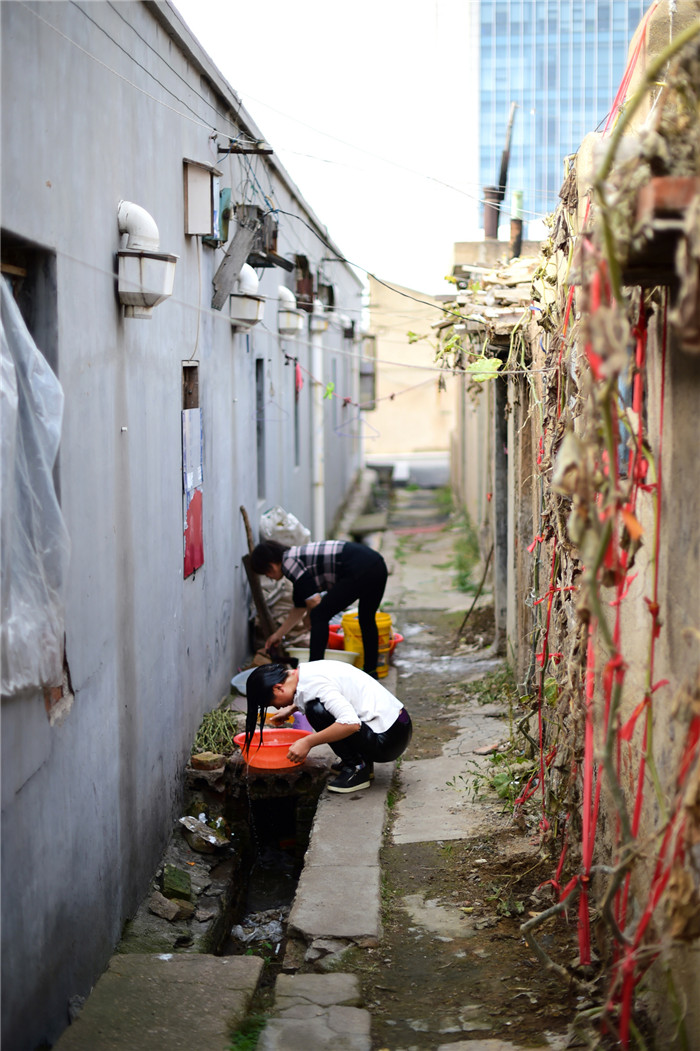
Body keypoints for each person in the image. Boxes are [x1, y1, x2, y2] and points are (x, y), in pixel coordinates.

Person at [244, 661, 412, 794]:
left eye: (272, 703)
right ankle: (361, 762)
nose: (277, 708)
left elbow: (351, 724)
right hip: (397, 726)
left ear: (278, 688)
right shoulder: (305, 672)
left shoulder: (316, 684)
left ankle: (357, 767)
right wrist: (291, 708)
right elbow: (321, 693)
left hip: (389, 739)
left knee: (316, 711)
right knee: (316, 708)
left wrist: (308, 742)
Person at [250, 539, 388, 678]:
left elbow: (314, 601)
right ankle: (371, 671)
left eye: (266, 574)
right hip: (377, 565)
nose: (270, 578)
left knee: (319, 616)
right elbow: (299, 608)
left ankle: (314, 674)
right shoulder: (296, 558)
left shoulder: (288, 562)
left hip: (359, 568)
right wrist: (278, 635)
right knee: (366, 619)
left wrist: (310, 617)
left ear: (271, 566)